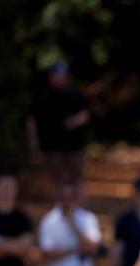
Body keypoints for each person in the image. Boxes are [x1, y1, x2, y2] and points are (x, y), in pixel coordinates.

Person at [26, 61, 91, 189]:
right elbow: (31, 121)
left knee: (77, 179)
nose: (58, 78)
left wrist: (72, 122)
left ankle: (79, 208)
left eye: (61, 75)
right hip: (51, 148)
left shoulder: (75, 94)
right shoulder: (42, 96)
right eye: (55, 75)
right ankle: (58, 207)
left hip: (74, 147)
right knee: (56, 180)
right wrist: (34, 145)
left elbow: (85, 115)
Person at [0, 174, 34, 266]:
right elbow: (19, 246)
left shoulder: (23, 218)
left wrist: (2, 244)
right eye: (3, 187)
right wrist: (14, 245)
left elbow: (24, 249)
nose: (6, 191)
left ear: (16, 190)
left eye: (9, 187)